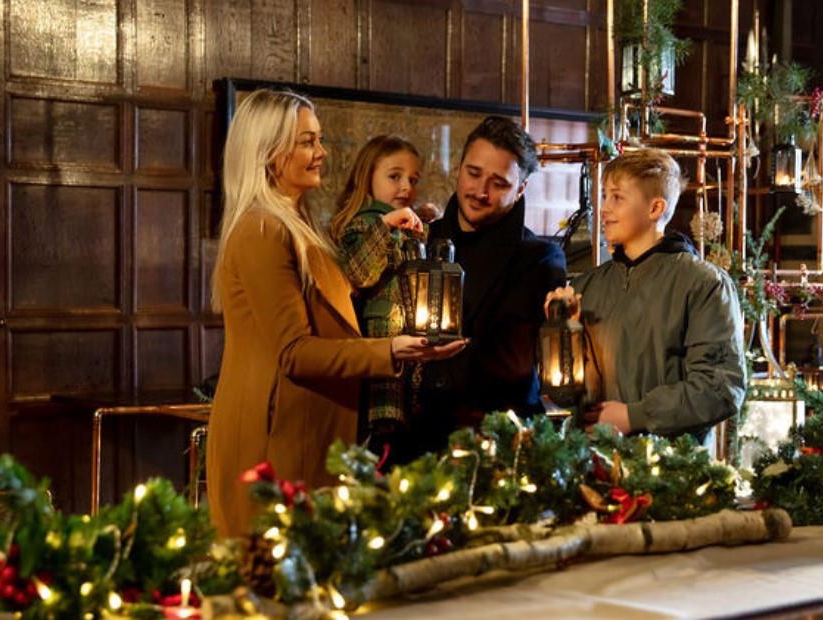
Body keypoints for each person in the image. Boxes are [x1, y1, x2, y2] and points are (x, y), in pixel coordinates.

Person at [206, 90, 464, 538]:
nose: (321, 152)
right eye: (307, 142)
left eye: (318, 140)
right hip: (277, 442)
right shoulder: (262, 229)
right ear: (269, 152)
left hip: (308, 438)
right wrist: (391, 352)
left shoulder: (296, 223)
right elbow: (295, 353)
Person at [546, 148, 744, 439]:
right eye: (604, 196)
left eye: (617, 197)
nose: (604, 209)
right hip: (592, 467)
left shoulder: (703, 284)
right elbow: (564, 396)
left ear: (655, 209)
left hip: (670, 471)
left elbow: (720, 387)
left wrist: (633, 416)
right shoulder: (585, 288)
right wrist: (562, 332)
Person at [415, 116, 567, 455]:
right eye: (473, 173)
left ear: (521, 188)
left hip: (498, 445)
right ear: (459, 167)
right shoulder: (422, 239)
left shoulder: (540, 259)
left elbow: (515, 366)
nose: (480, 192)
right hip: (416, 439)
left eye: (499, 183)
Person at [329, 135, 430, 461]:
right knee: (379, 439)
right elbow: (360, 272)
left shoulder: (406, 227)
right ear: (367, 176)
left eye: (413, 179)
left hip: (410, 345)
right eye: (394, 176)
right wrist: (386, 226)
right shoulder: (360, 225)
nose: (405, 186)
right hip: (376, 348)